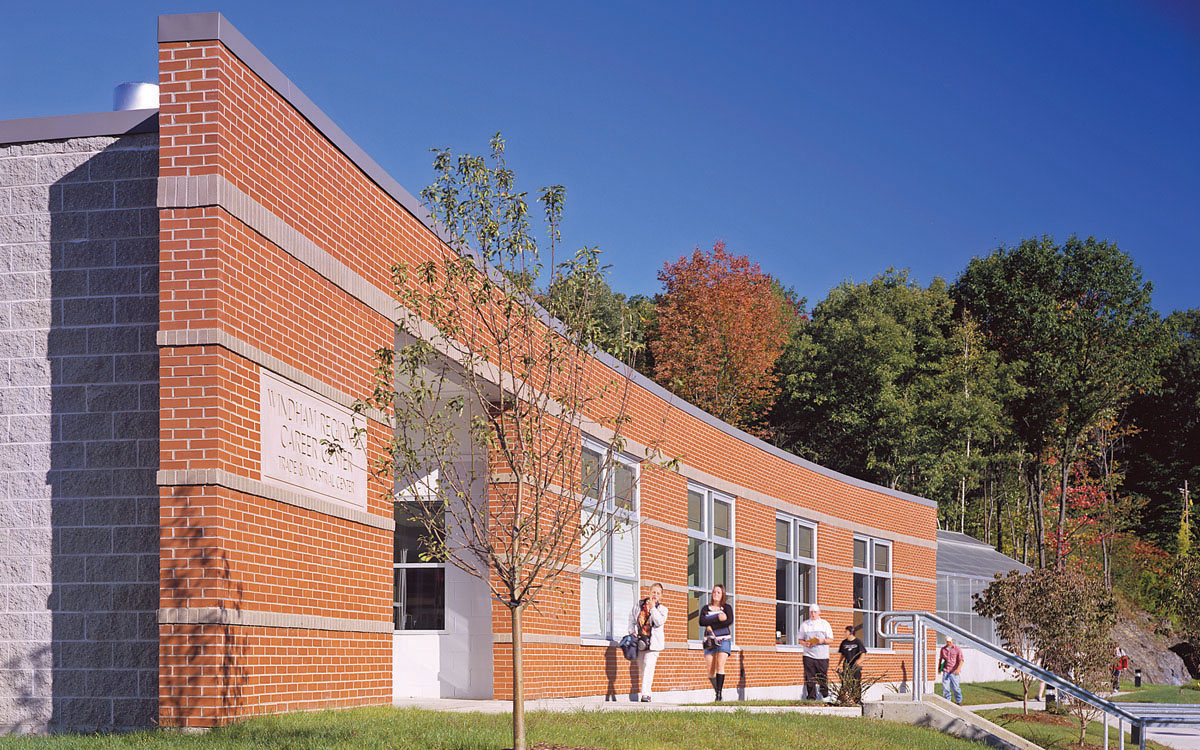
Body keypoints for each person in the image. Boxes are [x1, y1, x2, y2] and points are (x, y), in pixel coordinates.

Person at [628, 582, 667, 702]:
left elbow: (659, 621)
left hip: (654, 644)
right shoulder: (639, 605)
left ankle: (645, 695)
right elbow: (631, 619)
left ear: (661, 596)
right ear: (649, 592)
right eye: (653, 592)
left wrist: (653, 608)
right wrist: (631, 632)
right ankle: (647, 691)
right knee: (643, 668)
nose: (655, 595)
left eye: (658, 593)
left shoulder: (662, 609)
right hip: (641, 642)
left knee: (649, 666)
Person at [698, 583, 734, 701]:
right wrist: (718, 618)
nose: (715, 594)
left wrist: (711, 622)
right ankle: (716, 690)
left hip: (724, 640)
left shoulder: (727, 608)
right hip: (710, 642)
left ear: (722, 594)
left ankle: (719, 694)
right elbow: (702, 621)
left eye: (718, 592)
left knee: (720, 666)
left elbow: (728, 621)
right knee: (710, 671)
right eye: (714, 592)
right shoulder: (706, 608)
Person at [798, 605, 834, 701]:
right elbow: (800, 639)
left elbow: (831, 640)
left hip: (822, 656)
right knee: (809, 677)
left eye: (815, 612)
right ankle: (811, 697)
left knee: (822, 677)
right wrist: (805, 643)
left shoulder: (825, 624)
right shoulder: (805, 625)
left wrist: (822, 641)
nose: (813, 614)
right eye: (811, 612)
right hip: (808, 655)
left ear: (819, 612)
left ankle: (825, 695)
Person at [939, 636, 965, 704]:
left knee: (956, 688)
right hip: (946, 671)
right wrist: (939, 668)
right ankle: (947, 702)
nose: (948, 643)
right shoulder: (943, 649)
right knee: (945, 688)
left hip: (954, 671)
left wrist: (958, 669)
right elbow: (941, 659)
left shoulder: (957, 649)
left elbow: (961, 660)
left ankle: (959, 701)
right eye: (947, 642)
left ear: (952, 640)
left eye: (949, 642)